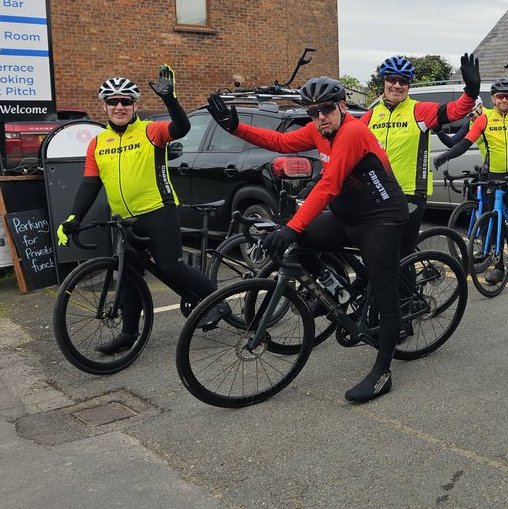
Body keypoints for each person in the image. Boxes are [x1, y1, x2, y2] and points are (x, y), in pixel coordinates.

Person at [206, 77, 408, 402]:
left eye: (326, 109)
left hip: (380, 218)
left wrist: (292, 227)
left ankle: (382, 372)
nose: (320, 117)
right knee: (297, 245)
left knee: (385, 297)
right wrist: (236, 127)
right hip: (347, 216)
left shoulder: (352, 132)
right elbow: (281, 142)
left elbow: (328, 186)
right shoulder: (319, 130)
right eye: (313, 112)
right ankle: (339, 291)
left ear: (342, 106)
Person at [56, 67, 219, 354]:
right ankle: (129, 334)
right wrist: (73, 218)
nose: (119, 106)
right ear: (104, 106)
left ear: (135, 105)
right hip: (125, 219)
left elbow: (181, 128)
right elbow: (90, 184)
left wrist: (170, 99)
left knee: (170, 266)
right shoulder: (98, 143)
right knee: (129, 274)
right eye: (113, 101)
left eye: (126, 101)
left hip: (158, 211)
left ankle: (216, 302)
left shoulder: (150, 131)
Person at [363, 54, 479, 260]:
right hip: (378, 192)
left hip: (410, 192)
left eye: (403, 81)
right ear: (384, 81)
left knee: (402, 254)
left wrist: (471, 90)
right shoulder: (370, 116)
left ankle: (406, 282)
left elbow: (455, 110)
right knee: (377, 251)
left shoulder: (420, 110)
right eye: (392, 79)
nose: (397, 85)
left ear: (408, 85)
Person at [433, 80, 508, 265]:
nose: (504, 100)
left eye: (507, 97)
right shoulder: (484, 119)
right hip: (494, 173)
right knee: (492, 216)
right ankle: (498, 265)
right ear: (493, 99)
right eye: (500, 97)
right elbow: (463, 144)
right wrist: (446, 156)